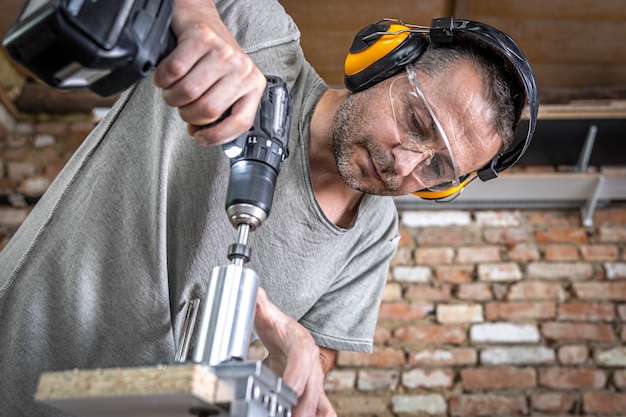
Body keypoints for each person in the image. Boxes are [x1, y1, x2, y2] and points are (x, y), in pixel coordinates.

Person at [0, 0, 536, 416]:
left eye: (438, 169)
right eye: (418, 123)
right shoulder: (257, 33)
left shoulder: (374, 234)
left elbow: (314, 357)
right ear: (383, 61)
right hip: (15, 361)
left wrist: (297, 366)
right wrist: (193, 16)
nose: (405, 165)